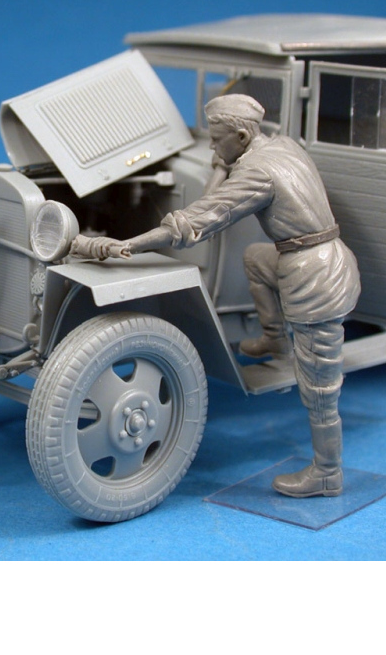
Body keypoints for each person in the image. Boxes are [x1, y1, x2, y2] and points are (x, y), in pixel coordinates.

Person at [102, 93, 361, 498]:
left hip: (316, 277)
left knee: (319, 385)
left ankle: (327, 472)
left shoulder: (257, 174)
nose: (210, 145)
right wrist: (223, 165)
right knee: (256, 258)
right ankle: (275, 340)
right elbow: (217, 192)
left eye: (216, 138)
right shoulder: (281, 145)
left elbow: (198, 220)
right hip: (310, 255)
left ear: (241, 137)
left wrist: (128, 245)